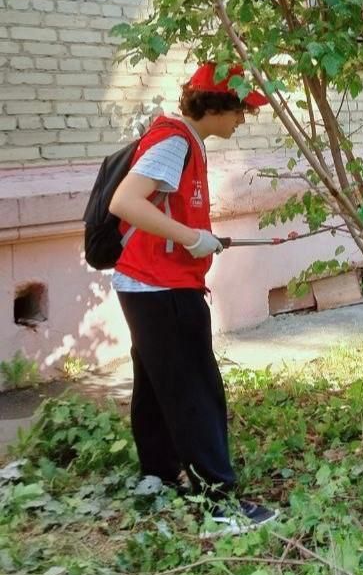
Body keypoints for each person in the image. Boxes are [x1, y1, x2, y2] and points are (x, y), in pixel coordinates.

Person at [109, 62, 277, 533]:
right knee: (195, 388)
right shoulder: (175, 141)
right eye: (240, 110)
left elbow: (164, 207)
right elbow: (125, 202)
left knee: (157, 383)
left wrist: (200, 237)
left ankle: (158, 476)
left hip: (148, 285)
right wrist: (189, 236)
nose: (243, 119)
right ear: (217, 105)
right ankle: (218, 503)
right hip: (161, 288)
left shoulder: (185, 141)